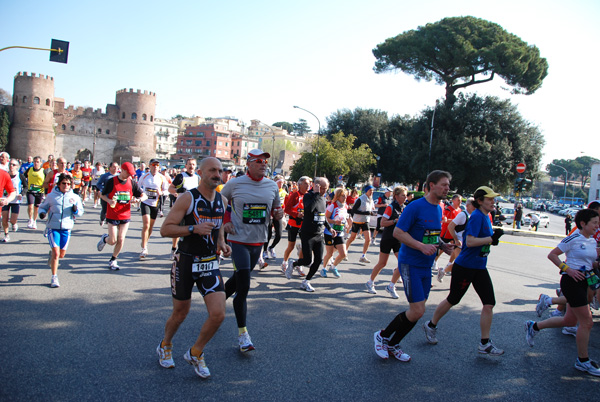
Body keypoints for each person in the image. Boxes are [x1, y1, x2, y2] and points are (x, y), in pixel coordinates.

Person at [157, 157, 231, 379]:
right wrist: (193, 228)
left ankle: (196, 352)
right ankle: (166, 344)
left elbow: (217, 228)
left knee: (218, 314)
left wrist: (222, 243)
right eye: (212, 170)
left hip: (209, 262)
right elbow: (165, 230)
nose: (217, 174)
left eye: (219, 170)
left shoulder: (223, 201)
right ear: (200, 172)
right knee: (181, 313)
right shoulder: (187, 199)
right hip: (186, 261)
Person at [373, 170, 454, 362]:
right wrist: (420, 246)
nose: (447, 188)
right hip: (410, 263)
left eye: (448, 185)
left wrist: (442, 245)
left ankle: (393, 344)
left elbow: (431, 234)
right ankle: (382, 336)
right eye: (444, 184)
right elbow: (398, 232)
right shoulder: (415, 207)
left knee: (418, 311)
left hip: (426, 266)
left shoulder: (439, 208)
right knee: (417, 310)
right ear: (431, 185)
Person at [423, 186, 505, 355]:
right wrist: (491, 238)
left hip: (480, 267)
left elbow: (482, 241)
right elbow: (470, 241)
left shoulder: (486, 216)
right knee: (453, 299)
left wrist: (491, 239)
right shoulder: (476, 217)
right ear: (480, 201)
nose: (493, 202)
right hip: (466, 266)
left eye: (494, 199)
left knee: (489, 303)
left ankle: (484, 343)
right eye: (490, 199)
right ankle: (430, 325)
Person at [220, 149, 283, 353]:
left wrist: (279, 214)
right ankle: (243, 334)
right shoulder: (234, 184)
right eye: (259, 161)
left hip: (259, 241)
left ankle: (217, 301)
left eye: (266, 160)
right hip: (238, 240)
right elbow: (219, 204)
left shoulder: (272, 185)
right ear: (248, 164)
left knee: (238, 278)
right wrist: (226, 222)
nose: (264, 164)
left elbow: (275, 211)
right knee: (244, 284)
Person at [525, 209, 600, 377]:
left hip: (584, 282)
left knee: (569, 320)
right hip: (570, 282)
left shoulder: (592, 241)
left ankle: (534, 326)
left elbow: (590, 262)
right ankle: (583, 361)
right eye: (594, 223)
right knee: (587, 322)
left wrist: (595, 265)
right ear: (583, 223)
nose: (597, 225)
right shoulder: (573, 238)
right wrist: (568, 270)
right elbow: (552, 255)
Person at [285, 177, 334, 291]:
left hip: (319, 234)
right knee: (307, 260)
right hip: (308, 233)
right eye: (323, 188)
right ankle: (293, 263)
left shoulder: (323, 198)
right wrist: (316, 194)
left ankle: (306, 281)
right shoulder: (309, 196)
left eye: (326, 189)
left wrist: (329, 228)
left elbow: (322, 215)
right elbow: (309, 209)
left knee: (318, 260)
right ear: (316, 186)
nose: (325, 191)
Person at [97, 162, 147, 270]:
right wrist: (109, 201)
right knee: (112, 240)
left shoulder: (132, 183)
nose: (129, 175)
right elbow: (102, 195)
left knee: (121, 239)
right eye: (128, 173)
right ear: (122, 170)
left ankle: (113, 259)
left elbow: (144, 195)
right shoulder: (112, 181)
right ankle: (105, 239)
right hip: (113, 214)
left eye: (131, 174)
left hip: (125, 215)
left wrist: (138, 199)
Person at [38, 173, 84, 287]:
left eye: (68, 184)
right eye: (64, 183)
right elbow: (42, 207)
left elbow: (80, 212)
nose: (66, 186)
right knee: (56, 253)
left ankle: (52, 256)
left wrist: (75, 210)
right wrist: (42, 213)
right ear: (59, 184)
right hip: (53, 227)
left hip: (66, 228)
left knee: (61, 255)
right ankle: (54, 277)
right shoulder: (51, 196)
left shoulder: (75, 197)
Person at [365, 186, 408, 297]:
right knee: (382, 263)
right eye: (403, 195)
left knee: (403, 263)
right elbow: (383, 223)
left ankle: (391, 286)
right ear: (396, 196)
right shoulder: (391, 207)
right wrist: (395, 220)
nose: (405, 197)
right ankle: (370, 282)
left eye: (406, 195)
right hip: (388, 238)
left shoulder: (403, 207)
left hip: (399, 238)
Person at [437, 197, 477, 281]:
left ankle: (443, 271)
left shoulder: (473, 216)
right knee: (461, 263)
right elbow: (450, 226)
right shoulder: (463, 215)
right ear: (468, 205)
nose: (475, 207)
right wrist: (456, 239)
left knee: (459, 262)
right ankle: (457, 280)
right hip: (459, 243)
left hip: (466, 244)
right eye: (473, 205)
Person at [168, 158, 200, 259]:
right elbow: (170, 189)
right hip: (180, 207)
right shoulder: (181, 176)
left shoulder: (198, 178)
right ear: (186, 166)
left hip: (193, 208)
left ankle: (189, 250)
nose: (191, 166)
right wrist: (178, 190)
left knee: (191, 230)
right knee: (178, 230)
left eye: (193, 165)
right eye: (189, 164)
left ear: (196, 166)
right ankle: (174, 248)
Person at [138, 159, 170, 259]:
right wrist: (140, 195)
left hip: (155, 204)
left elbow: (167, 190)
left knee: (150, 227)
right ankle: (144, 248)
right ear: (150, 166)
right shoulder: (144, 176)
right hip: (145, 202)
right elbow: (138, 187)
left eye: (157, 165)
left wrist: (161, 193)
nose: (155, 167)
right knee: (146, 224)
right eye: (153, 165)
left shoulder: (162, 177)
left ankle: (145, 242)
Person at [281, 176, 311, 276]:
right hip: (294, 224)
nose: (308, 186)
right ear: (299, 185)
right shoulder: (294, 195)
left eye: (309, 184)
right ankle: (285, 262)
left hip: (304, 225)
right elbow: (287, 209)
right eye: (306, 184)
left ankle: (299, 265)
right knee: (291, 246)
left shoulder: (308, 195)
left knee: (304, 246)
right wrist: (296, 214)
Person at [321, 187, 351, 278]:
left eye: (346, 196)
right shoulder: (332, 206)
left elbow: (344, 217)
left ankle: (333, 267)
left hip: (340, 232)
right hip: (329, 232)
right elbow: (325, 219)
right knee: (330, 253)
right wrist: (334, 222)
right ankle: (323, 269)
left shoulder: (345, 206)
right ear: (337, 197)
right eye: (343, 196)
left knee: (343, 254)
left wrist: (345, 224)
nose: (345, 198)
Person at [346, 185, 376, 263]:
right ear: (366, 191)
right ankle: (344, 251)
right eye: (370, 190)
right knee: (352, 238)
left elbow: (371, 207)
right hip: (357, 221)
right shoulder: (360, 199)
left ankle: (363, 255)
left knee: (368, 239)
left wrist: (372, 211)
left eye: (372, 190)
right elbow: (354, 210)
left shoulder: (371, 199)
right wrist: (367, 212)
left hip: (365, 221)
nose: (371, 192)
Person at [435, 194, 462, 276]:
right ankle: (434, 261)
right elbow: (444, 220)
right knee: (442, 249)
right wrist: (455, 221)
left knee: (455, 248)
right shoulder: (449, 209)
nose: (460, 202)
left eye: (460, 200)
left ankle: (450, 263)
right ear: (453, 201)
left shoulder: (460, 210)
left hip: (454, 233)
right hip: (446, 232)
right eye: (458, 200)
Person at [262, 175, 286, 262]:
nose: (281, 184)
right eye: (280, 182)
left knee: (279, 235)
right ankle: (264, 251)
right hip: (270, 215)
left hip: (278, 215)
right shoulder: (270, 190)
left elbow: (285, 203)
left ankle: (271, 247)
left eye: (283, 183)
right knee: (268, 234)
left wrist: (284, 212)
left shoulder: (283, 192)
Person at [1, 160, 24, 242]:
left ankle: (14, 223)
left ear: (17, 166)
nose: (11, 166)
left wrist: (22, 193)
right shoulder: (5, 174)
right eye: (10, 164)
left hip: (15, 200)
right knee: (4, 219)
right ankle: (6, 234)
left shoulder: (19, 175)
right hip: (4, 199)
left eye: (13, 164)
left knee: (13, 220)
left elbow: (25, 186)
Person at [24, 156, 46, 230]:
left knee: (36, 207)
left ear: (40, 163)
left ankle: (34, 221)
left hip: (39, 191)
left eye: (37, 162)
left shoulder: (43, 171)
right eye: (34, 162)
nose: (36, 163)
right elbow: (23, 177)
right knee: (30, 206)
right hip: (30, 191)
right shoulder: (29, 169)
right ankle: (30, 219)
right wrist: (25, 186)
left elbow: (47, 181)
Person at [97, 162, 118, 226]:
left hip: (115, 196)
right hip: (106, 196)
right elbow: (98, 184)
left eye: (117, 167)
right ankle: (102, 218)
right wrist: (104, 189)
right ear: (110, 168)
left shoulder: (119, 176)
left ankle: (110, 221)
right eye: (114, 167)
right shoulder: (105, 176)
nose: (115, 168)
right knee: (105, 209)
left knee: (114, 210)